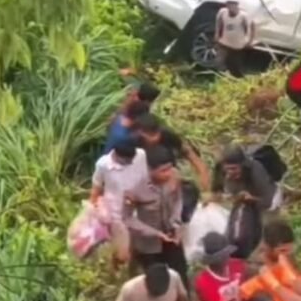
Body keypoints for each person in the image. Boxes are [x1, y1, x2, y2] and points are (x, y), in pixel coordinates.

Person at [124, 146, 189, 289]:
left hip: (172, 235)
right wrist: (155, 233)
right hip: (149, 244)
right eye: (163, 171)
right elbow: (128, 218)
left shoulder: (174, 176)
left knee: (180, 273)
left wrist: (176, 222)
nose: (168, 174)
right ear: (150, 169)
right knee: (156, 280)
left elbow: (178, 200)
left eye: (170, 168)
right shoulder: (134, 187)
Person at [213, 145, 281, 259]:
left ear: (243, 165)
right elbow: (219, 191)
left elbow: (267, 201)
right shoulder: (221, 170)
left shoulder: (257, 171)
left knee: (269, 231)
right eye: (228, 169)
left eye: (234, 169)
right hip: (245, 196)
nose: (231, 172)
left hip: (267, 198)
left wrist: (252, 199)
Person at [89, 140, 148, 268]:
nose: (130, 163)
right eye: (126, 161)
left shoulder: (141, 155)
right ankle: (116, 267)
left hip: (140, 209)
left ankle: (130, 268)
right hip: (117, 214)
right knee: (123, 253)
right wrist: (93, 213)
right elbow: (96, 189)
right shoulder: (103, 164)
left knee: (139, 248)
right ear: (116, 155)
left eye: (132, 160)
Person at [135, 113, 211, 196]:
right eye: (149, 135)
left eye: (156, 133)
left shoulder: (166, 135)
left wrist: (203, 176)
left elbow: (191, 155)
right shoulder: (129, 143)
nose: (154, 138)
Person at [215, 0, 254, 78]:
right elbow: (218, 22)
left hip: (237, 45)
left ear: (236, 5)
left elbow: (252, 26)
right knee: (219, 61)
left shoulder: (243, 16)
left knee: (235, 65)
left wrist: (250, 41)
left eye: (233, 5)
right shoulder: (223, 12)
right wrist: (217, 34)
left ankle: (237, 77)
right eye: (229, 5)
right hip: (224, 42)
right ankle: (221, 75)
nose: (230, 7)